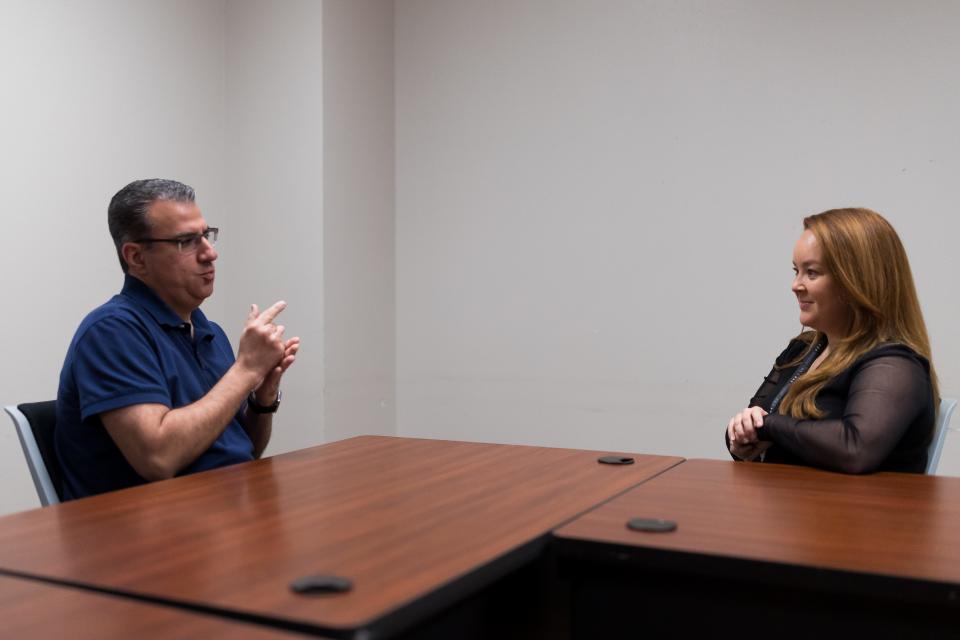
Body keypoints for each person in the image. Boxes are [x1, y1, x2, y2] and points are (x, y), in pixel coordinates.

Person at [55, 179, 300, 499]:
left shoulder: (209, 332)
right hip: (143, 536)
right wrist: (246, 370)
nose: (210, 253)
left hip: (218, 513)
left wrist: (261, 401)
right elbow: (159, 458)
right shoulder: (111, 332)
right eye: (186, 241)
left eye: (206, 235)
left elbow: (241, 452)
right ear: (137, 258)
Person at [725, 207, 937, 474]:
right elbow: (755, 421)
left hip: (864, 515)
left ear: (856, 281)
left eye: (811, 273)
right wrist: (741, 434)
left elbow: (855, 448)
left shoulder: (895, 365)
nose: (796, 285)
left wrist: (767, 427)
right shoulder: (802, 350)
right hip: (797, 508)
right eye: (796, 271)